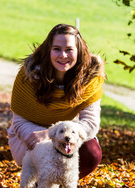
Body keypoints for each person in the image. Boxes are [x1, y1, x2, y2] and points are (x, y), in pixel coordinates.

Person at [8, 23, 105, 179]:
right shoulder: (29, 76)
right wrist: (42, 137)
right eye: (57, 49)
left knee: (91, 151)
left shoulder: (90, 80)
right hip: (31, 138)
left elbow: (91, 124)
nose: (63, 55)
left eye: (69, 50)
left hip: (65, 135)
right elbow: (19, 123)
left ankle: (62, 184)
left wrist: (49, 134)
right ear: (48, 50)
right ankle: (39, 182)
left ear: (78, 51)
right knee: (44, 149)